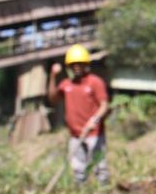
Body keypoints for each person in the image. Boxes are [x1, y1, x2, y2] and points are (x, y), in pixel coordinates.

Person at [47, 44, 111, 185]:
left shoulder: (95, 82)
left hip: (94, 134)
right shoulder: (66, 84)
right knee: (78, 169)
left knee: (100, 167)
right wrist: (52, 76)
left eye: (80, 64)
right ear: (69, 66)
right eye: (73, 64)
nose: (76, 67)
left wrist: (93, 120)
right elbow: (53, 99)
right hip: (75, 135)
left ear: (85, 64)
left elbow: (104, 105)